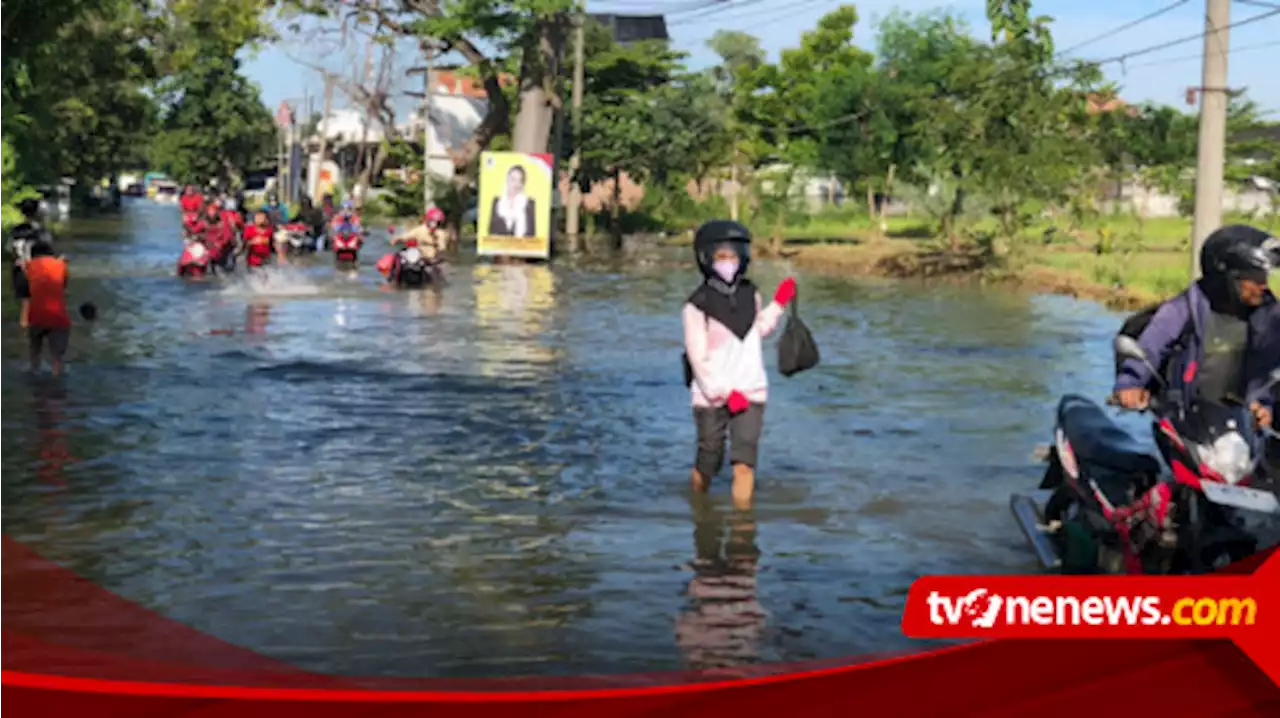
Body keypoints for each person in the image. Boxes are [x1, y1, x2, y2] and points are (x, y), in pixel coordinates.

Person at [1114, 224, 1280, 429]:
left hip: (1240, 426)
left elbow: (1269, 370)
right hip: (1186, 420)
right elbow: (1151, 346)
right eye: (1254, 278)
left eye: (1264, 278)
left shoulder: (1270, 317)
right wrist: (1130, 384)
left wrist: (1263, 406)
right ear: (1226, 277)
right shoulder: (1183, 309)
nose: (1263, 285)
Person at [682, 220, 797, 508]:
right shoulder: (696, 306)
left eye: (733, 255)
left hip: (751, 391)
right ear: (706, 258)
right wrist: (722, 393)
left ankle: (743, 533)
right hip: (711, 398)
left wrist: (779, 303)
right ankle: (699, 507)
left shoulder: (751, 294)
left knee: (744, 466)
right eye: (721, 256)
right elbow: (698, 358)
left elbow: (755, 331)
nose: (729, 261)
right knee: (708, 463)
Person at [25, 241, 71, 376]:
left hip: (36, 316)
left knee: (35, 349)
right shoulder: (60, 265)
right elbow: (64, 285)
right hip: (58, 316)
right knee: (57, 357)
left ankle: (34, 370)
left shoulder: (29, 266)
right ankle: (56, 376)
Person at [7, 198, 52, 328]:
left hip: (19, 270)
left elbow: (10, 251)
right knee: (40, 304)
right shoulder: (42, 231)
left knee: (25, 305)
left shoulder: (15, 231)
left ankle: (24, 330)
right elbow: (48, 252)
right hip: (36, 269)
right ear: (37, 212)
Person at [488, 165, 536, 237]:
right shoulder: (497, 202)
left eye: (520, 180)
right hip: (499, 247)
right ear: (507, 180)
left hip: (522, 247)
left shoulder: (529, 203)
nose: (516, 184)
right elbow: (491, 231)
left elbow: (532, 235)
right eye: (513, 179)